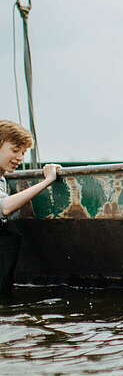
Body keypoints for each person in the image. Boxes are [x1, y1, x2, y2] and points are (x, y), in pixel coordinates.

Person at [0, 120, 61, 293]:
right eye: (14, 150)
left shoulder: (2, 178)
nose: (20, 157)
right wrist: (48, 180)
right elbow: (4, 207)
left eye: (23, 152)